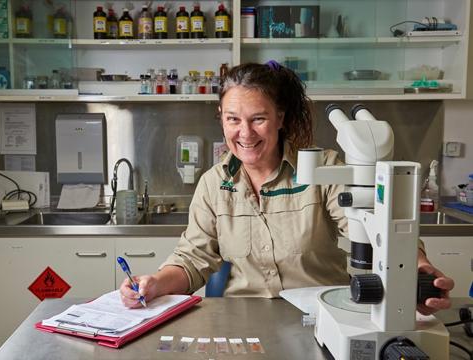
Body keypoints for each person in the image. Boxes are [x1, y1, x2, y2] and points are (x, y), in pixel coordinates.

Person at [120, 62, 454, 315]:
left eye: (258, 119)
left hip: (324, 316)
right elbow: (193, 259)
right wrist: (154, 283)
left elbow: (371, 224)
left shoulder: (324, 169)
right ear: (221, 118)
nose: (245, 133)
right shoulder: (213, 185)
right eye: (233, 119)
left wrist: (415, 265)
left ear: (280, 118)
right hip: (244, 322)